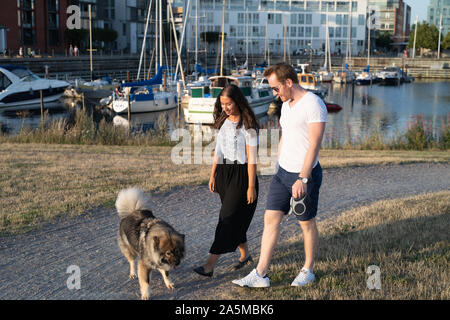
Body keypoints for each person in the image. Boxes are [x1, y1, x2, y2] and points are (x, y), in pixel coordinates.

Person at [232, 63, 327, 288]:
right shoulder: (286, 104)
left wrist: (302, 178)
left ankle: (308, 270)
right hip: (282, 172)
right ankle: (261, 274)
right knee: (271, 219)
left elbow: (314, 144)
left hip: (305, 175)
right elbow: (286, 134)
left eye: (276, 88)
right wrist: (278, 162)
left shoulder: (313, 104)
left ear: (288, 83)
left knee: (306, 223)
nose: (274, 93)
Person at [193, 84, 260, 277]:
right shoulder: (223, 120)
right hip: (224, 173)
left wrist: (250, 186)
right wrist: (213, 174)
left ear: (238, 101)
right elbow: (218, 150)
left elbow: (252, 159)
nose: (225, 107)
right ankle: (245, 254)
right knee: (233, 218)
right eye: (222, 104)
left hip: (242, 176)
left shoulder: (249, 126)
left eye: (228, 103)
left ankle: (209, 265)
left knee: (227, 218)